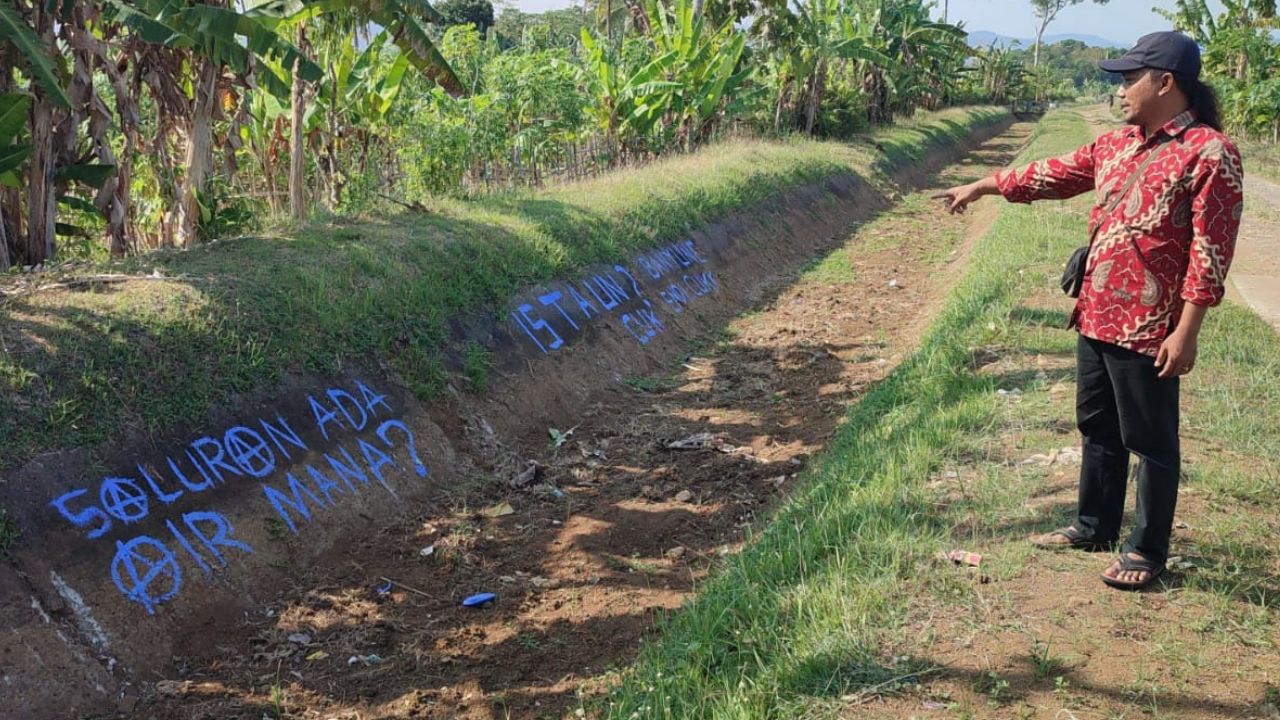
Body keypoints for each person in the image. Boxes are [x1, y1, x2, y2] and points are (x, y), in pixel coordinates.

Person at [933, 31, 1244, 591]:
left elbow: (1211, 251)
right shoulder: (1117, 144)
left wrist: (1188, 330)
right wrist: (983, 185)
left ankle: (1146, 551)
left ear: (1165, 82)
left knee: (1150, 441)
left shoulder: (1209, 153)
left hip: (1151, 325)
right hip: (1097, 311)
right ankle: (1093, 524)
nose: (1122, 90)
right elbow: (1052, 175)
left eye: (1130, 79)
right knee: (1097, 426)